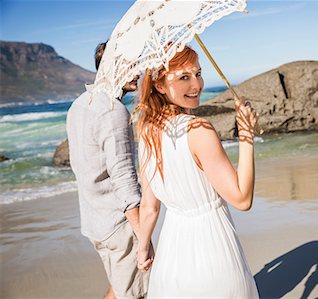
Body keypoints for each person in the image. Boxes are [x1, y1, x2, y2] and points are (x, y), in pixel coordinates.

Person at [135, 45, 259, 298]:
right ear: (159, 85)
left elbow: (149, 208)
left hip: (171, 258)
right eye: (184, 77)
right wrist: (246, 133)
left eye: (198, 73)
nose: (197, 85)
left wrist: (143, 247)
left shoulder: (146, 132)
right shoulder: (199, 129)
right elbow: (242, 198)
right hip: (212, 252)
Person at [66, 41, 149, 299]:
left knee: (119, 287)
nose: (138, 70)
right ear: (112, 67)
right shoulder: (113, 112)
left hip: (93, 222)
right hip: (118, 226)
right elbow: (125, 180)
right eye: (130, 64)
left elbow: (78, 165)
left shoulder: (78, 105)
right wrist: (143, 236)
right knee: (137, 294)